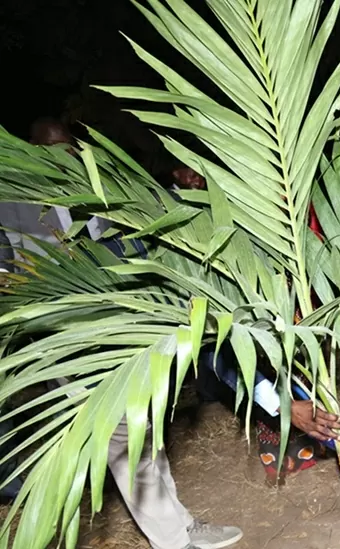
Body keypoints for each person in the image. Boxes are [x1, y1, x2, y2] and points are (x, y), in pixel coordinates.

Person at [24, 118, 245, 549]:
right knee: (123, 439)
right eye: (51, 149)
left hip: (121, 334)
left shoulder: (93, 197)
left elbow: (133, 249)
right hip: (71, 345)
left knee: (144, 429)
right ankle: (174, 538)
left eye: (69, 147)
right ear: (32, 150)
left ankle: (179, 526)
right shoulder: (15, 205)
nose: (64, 157)